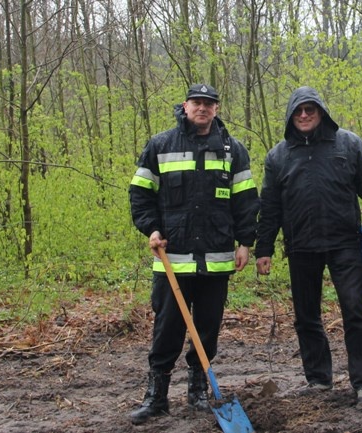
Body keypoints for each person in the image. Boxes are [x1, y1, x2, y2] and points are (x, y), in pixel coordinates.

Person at [255, 86, 362, 406]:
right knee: (306, 316)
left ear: (321, 112)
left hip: (345, 242)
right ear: (291, 116)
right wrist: (263, 249)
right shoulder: (278, 156)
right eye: (299, 111)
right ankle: (318, 379)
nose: (305, 115)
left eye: (310, 110)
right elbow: (270, 207)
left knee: (354, 309)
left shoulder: (347, 143)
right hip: (301, 246)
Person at [128, 83, 259, 424]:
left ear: (216, 108)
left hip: (216, 259)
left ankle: (198, 392)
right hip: (173, 261)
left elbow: (246, 200)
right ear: (185, 106)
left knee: (207, 329)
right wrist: (152, 229)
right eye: (197, 102)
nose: (202, 108)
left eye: (209, 103)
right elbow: (140, 195)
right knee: (167, 328)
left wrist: (245, 242)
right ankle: (156, 396)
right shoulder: (161, 146)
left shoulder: (233, 150)